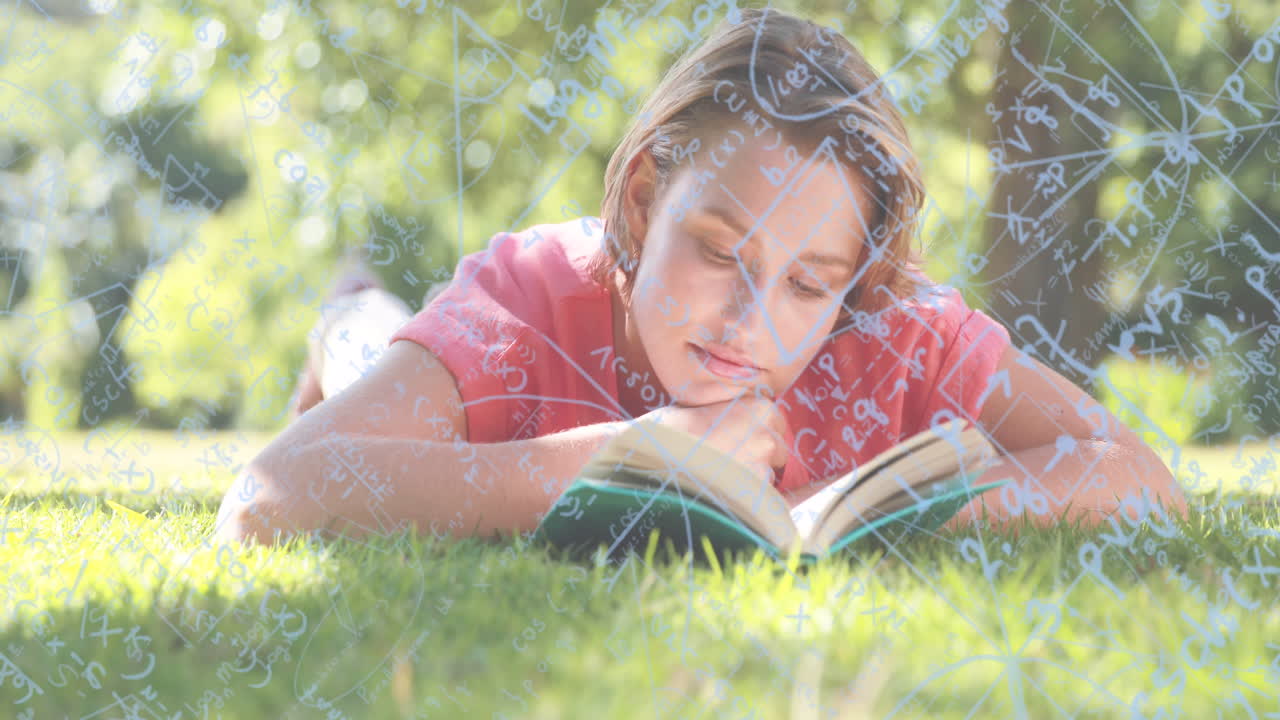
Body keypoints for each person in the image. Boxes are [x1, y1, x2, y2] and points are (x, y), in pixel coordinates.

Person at [216, 7, 1187, 546]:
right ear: (641, 202)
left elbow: (1141, 478)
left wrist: (917, 518)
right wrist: (616, 463)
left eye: (810, 283)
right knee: (364, 349)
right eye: (720, 253)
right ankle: (348, 316)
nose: (750, 323)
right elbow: (270, 497)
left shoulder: (894, 328)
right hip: (444, 368)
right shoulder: (525, 300)